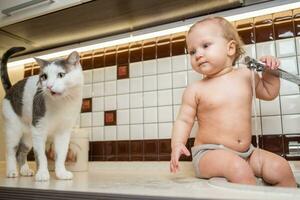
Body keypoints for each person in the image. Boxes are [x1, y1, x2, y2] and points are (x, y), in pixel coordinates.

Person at [169, 16, 296, 187]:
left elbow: (268, 92)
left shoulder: (246, 75)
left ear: (230, 48)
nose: (198, 54)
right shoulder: (195, 89)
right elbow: (184, 120)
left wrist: (270, 72)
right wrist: (177, 144)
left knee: (281, 167)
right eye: (192, 51)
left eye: (205, 46)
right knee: (239, 169)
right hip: (209, 154)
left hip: (247, 152)